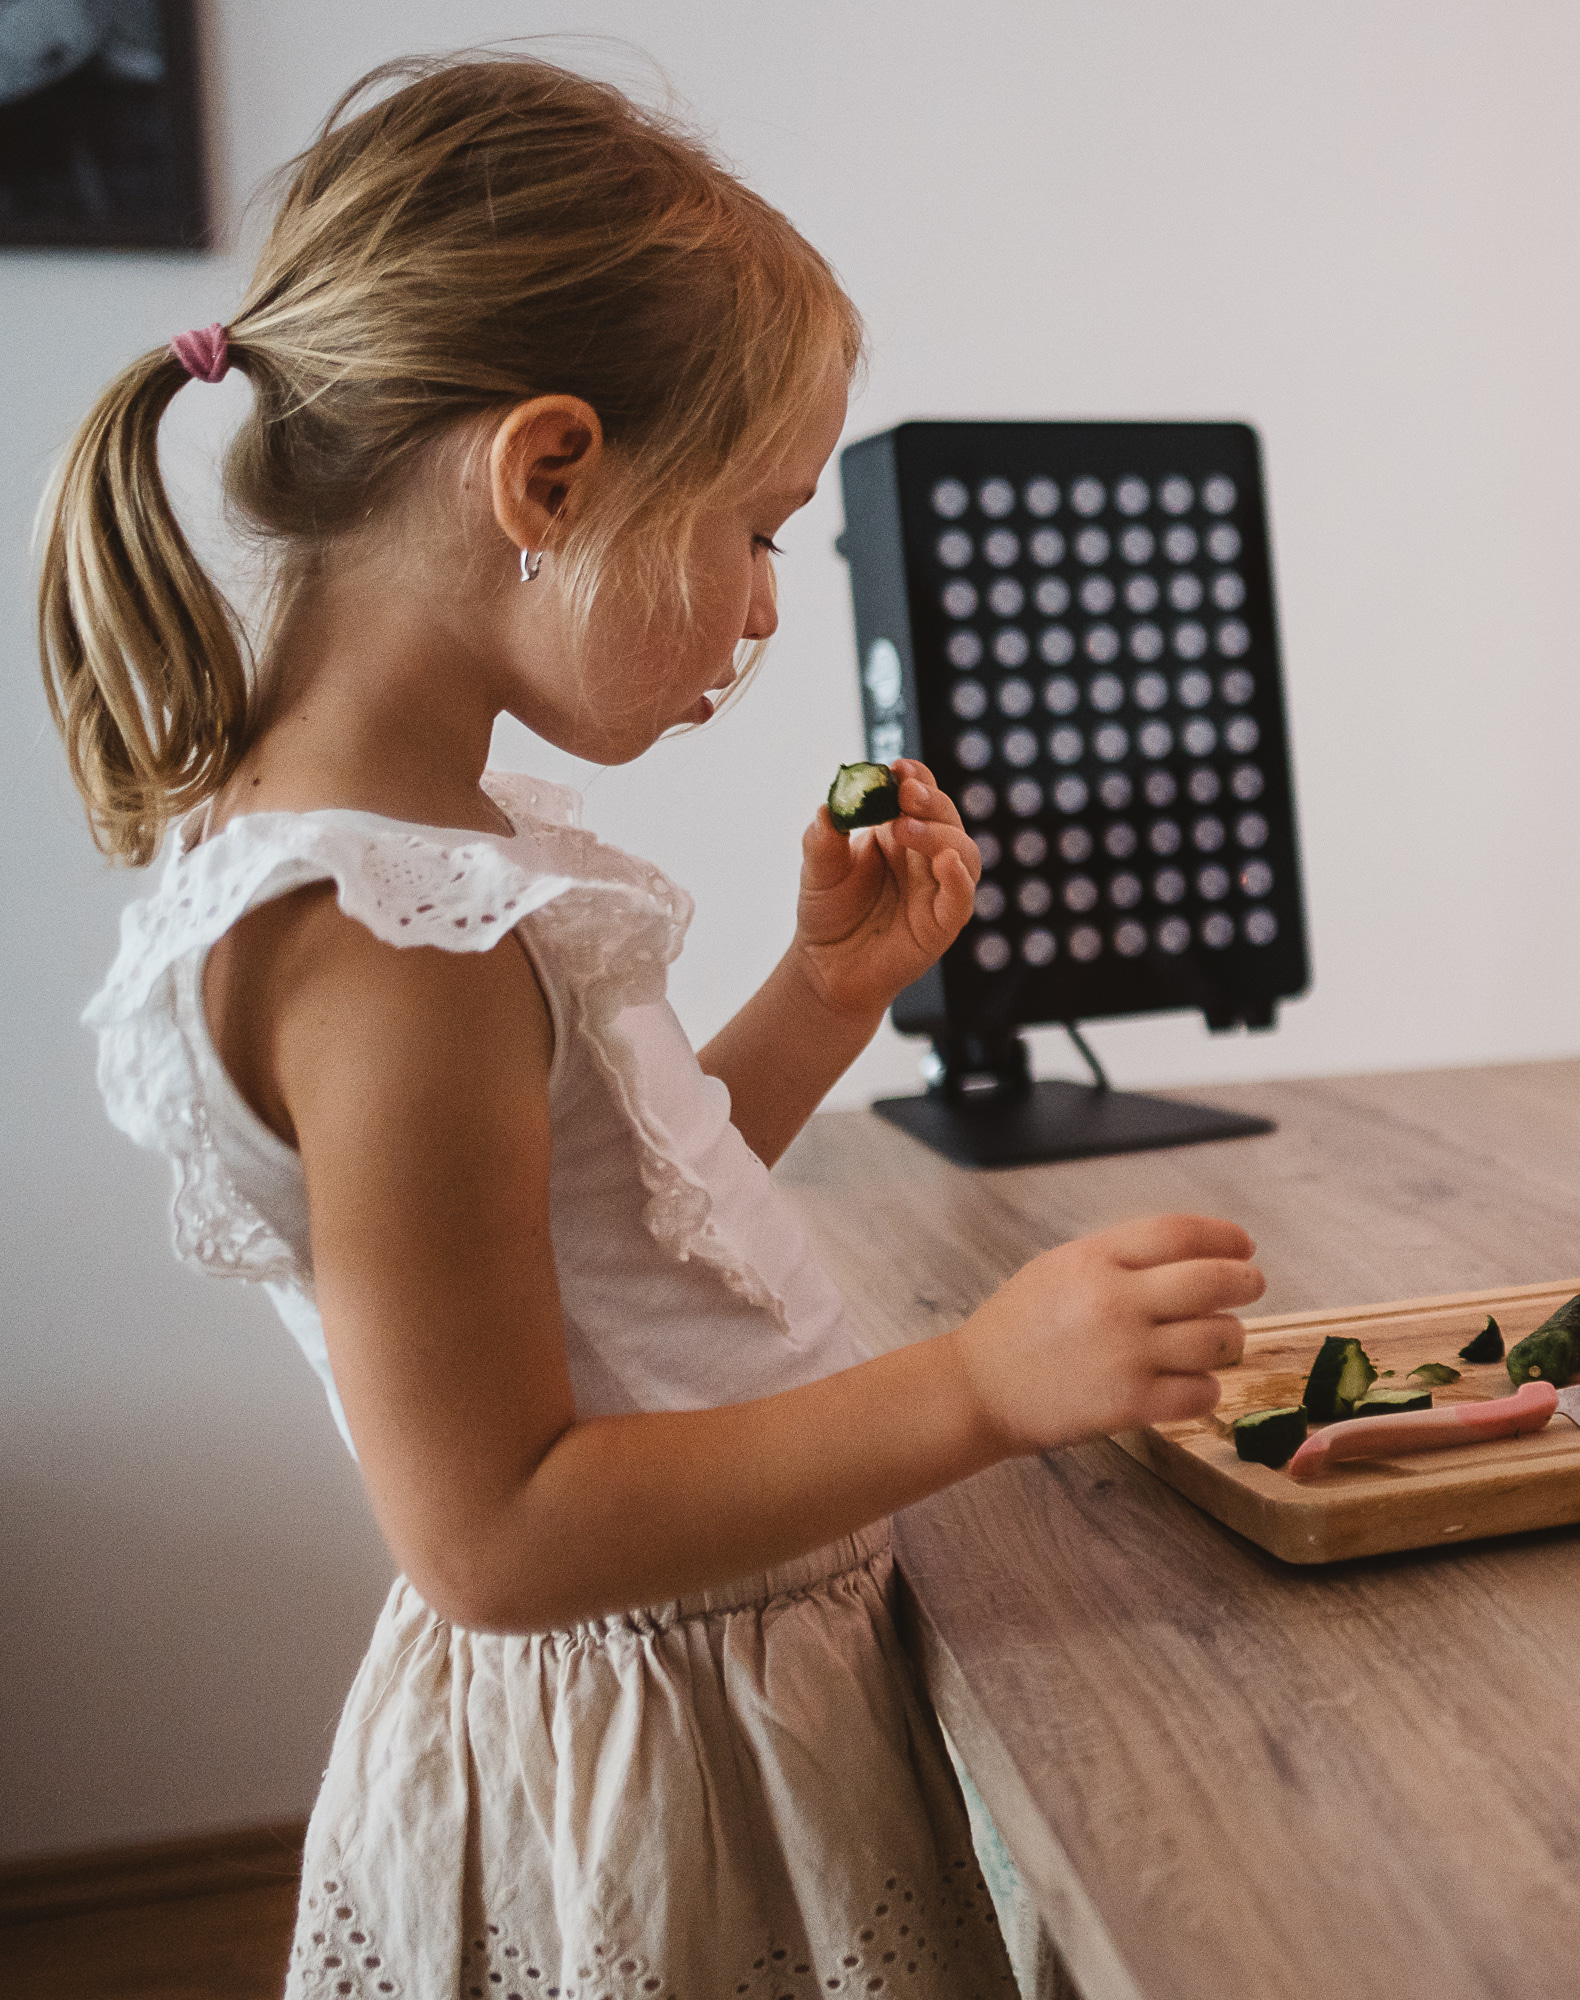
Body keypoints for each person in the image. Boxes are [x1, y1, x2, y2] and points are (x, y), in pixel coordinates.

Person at [46, 54, 1264, 1996]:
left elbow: (613, 1240)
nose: (769, 609)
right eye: (760, 526)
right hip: (659, 1746)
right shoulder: (385, 940)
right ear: (545, 476)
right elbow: (502, 1529)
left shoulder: (426, 845)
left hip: (722, 1674)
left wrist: (823, 994)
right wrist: (980, 1380)